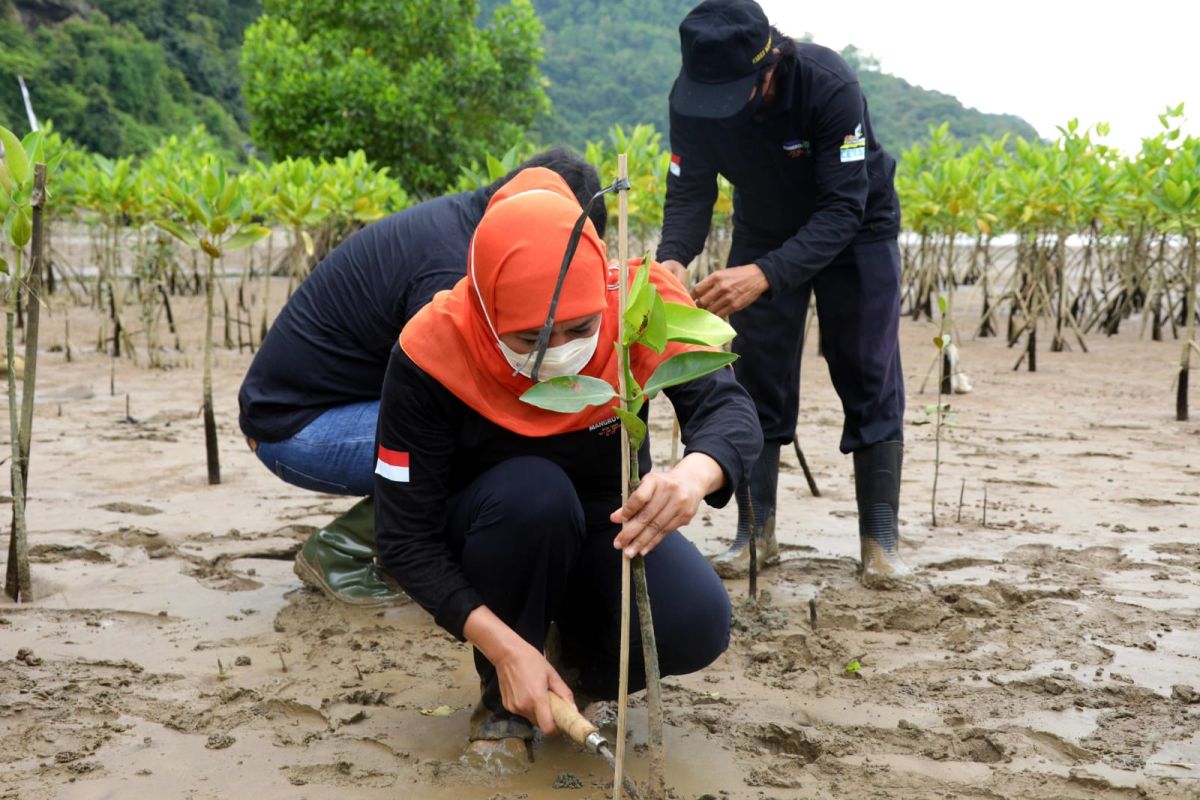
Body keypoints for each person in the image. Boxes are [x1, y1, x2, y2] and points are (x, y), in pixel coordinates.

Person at [375, 167, 761, 760]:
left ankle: (570, 676)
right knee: (534, 493)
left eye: (580, 330)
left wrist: (694, 473)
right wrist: (504, 648)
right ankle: (503, 703)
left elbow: (728, 410)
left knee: (699, 622)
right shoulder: (433, 347)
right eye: (530, 339)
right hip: (493, 533)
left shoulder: (638, 303)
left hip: (606, 526)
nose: (560, 354)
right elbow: (403, 539)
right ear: (485, 306)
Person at [237, 149, 606, 606]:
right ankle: (340, 550)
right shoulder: (460, 263)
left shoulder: (469, 226)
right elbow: (441, 391)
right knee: (482, 434)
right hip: (297, 429)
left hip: (342, 405)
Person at [657, 0, 909, 586]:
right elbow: (689, 194)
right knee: (754, 374)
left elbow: (843, 208)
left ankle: (879, 542)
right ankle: (756, 535)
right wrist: (672, 260)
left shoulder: (827, 85)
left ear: (769, 67)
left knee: (866, 368)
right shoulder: (690, 101)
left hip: (858, 229)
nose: (719, 108)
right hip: (763, 224)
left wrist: (764, 275)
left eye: (734, 93)